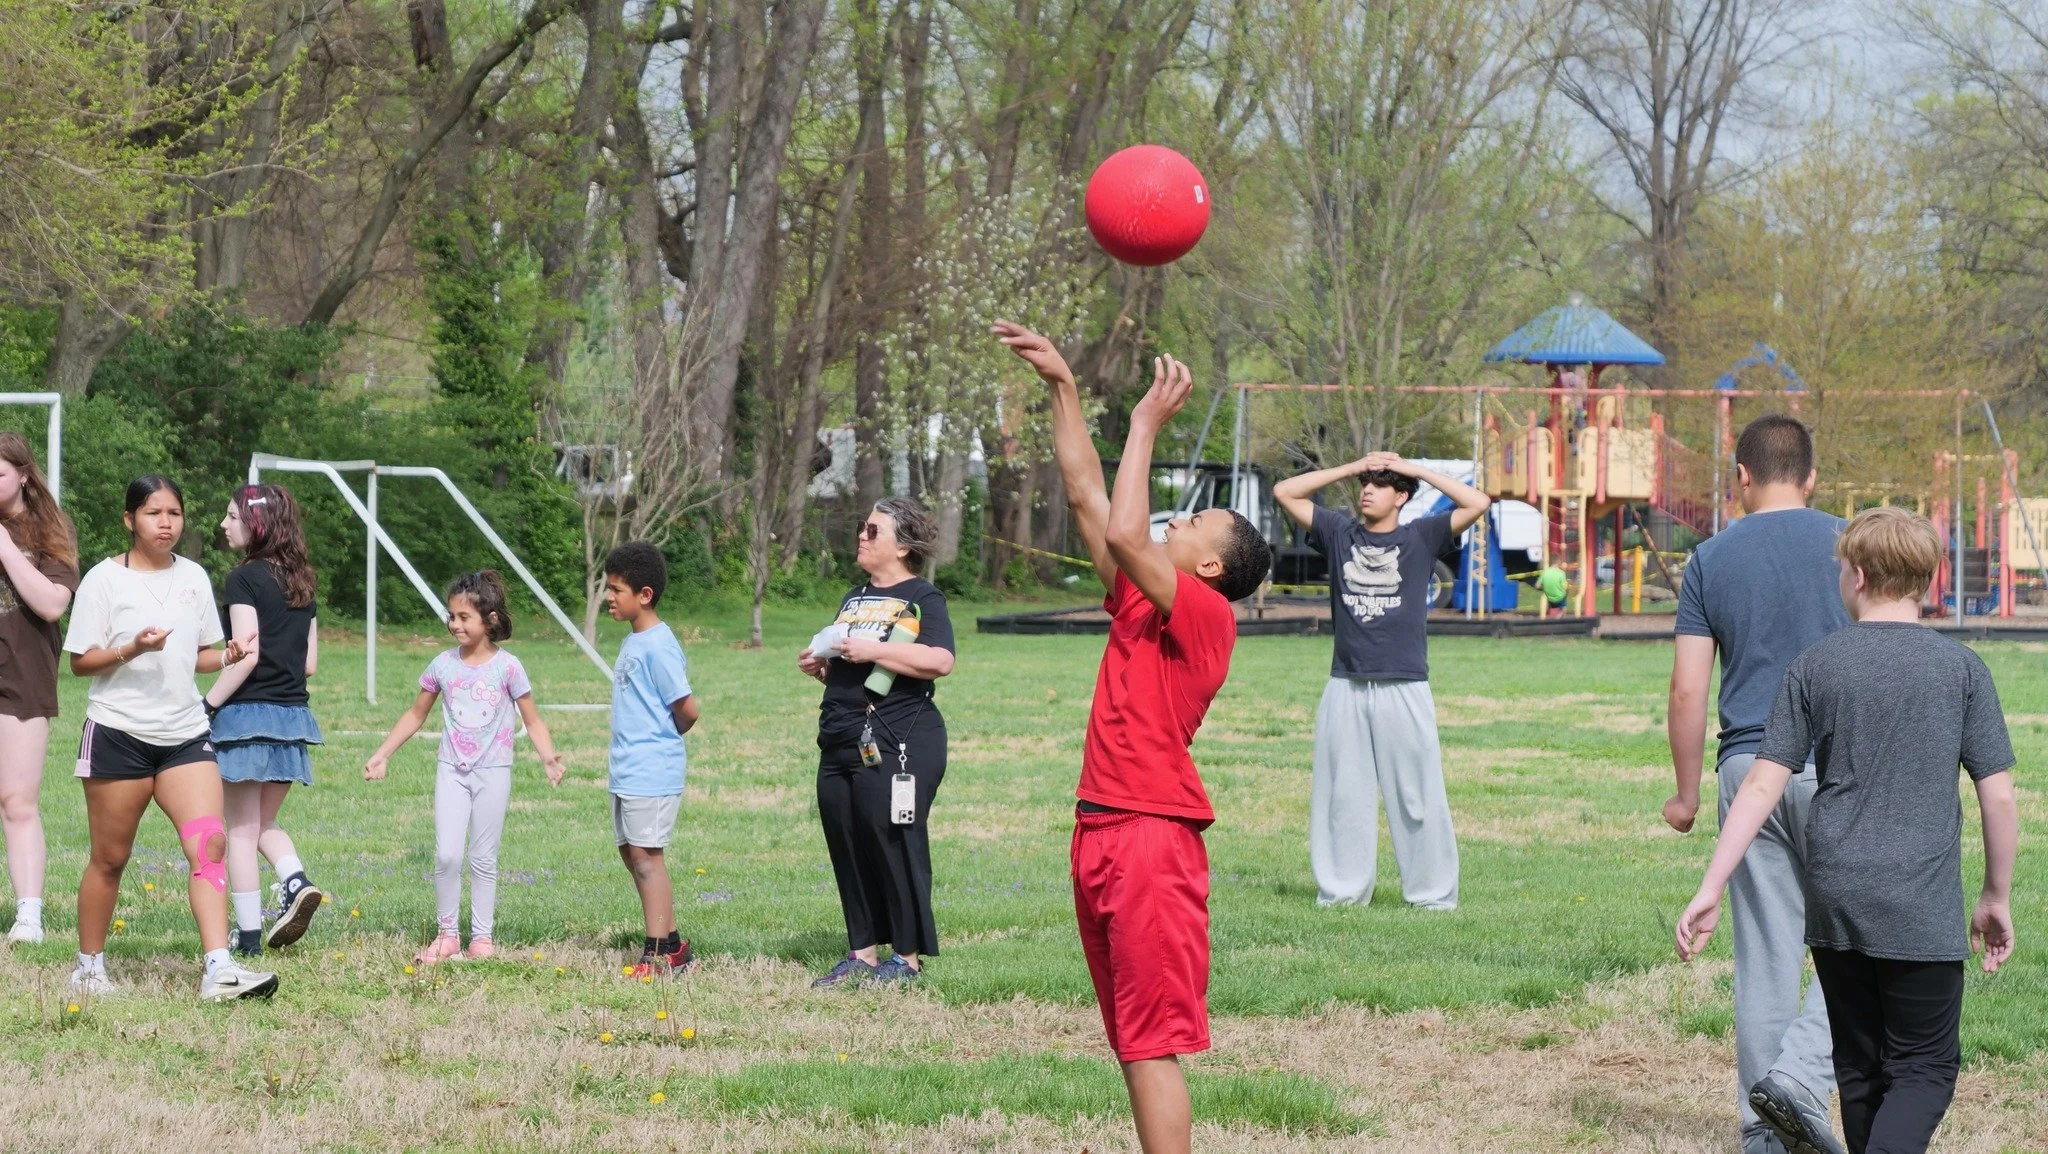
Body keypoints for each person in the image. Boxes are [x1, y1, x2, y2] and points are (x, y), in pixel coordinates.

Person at [996, 321, 1271, 1154]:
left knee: (1151, 1046)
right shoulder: (1140, 603)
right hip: (1102, 830)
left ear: (1213, 567)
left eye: (1194, 525)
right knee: (1129, 1041)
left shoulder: (1208, 614)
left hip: (1153, 838)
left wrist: (1148, 423)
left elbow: (1122, 531)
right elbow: (1092, 501)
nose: (1174, 524)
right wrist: (1063, 387)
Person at [1679, 507, 2018, 1154]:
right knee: (1923, 1069)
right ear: (1926, 579)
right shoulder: (1963, 670)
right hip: (1920, 903)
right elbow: (1997, 798)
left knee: (1860, 1073)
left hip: (1837, 903)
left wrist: (1712, 884)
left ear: (1857, 575)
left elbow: (1761, 785)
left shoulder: (1815, 666)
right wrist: (1995, 895)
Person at [1666, 415, 1847, 1154]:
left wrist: (1683, 793)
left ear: (1740, 477)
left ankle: (1763, 1132)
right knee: (1865, 949)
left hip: (1747, 771)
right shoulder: (1852, 544)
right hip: (1846, 768)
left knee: (1767, 957)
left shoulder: (1709, 558)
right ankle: (1805, 1081)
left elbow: (1687, 690)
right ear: (1811, 478)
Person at [63, 475, 274, 1001]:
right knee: (110, 859)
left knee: (210, 845)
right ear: (129, 519)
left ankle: (219, 968)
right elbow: (80, 664)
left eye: (174, 514)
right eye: (154, 513)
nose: (165, 523)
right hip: (118, 733)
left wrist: (226, 656)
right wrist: (131, 649)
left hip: (184, 735)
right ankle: (89, 967)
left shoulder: (196, 578)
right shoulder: (103, 581)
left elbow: (198, 654)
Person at [1272, 453, 1489, 910]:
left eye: (1380, 484)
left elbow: (1477, 501)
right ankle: (1343, 892)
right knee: (1342, 795)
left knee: (1418, 796)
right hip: (1346, 683)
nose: (1367, 490)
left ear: (1402, 496)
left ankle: (1431, 897)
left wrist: (1416, 469)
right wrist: (1351, 467)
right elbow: (1285, 491)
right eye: (1365, 483)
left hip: (1405, 686)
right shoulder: (1338, 533)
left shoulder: (1422, 537)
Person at [363, 570, 567, 963]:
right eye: (451, 616)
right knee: (447, 856)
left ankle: (482, 939)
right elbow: (415, 713)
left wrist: (547, 756)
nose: (454, 624)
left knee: (483, 857)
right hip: (451, 772)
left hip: (494, 773)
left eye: (463, 617)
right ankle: (448, 935)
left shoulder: (509, 668)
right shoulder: (442, 665)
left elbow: (533, 719)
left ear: (489, 620)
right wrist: (383, 752)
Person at [799, 497, 954, 987]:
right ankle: (861, 953)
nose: (861, 537)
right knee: (847, 840)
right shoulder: (854, 596)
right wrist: (824, 669)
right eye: (862, 529)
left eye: (872, 531)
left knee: (892, 842)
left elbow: (939, 660)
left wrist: (871, 648)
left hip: (899, 736)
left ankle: (905, 959)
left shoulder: (923, 597)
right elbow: (859, 673)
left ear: (903, 545)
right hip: (842, 733)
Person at [206, 484, 325, 957]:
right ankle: (295, 880)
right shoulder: (303, 582)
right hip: (292, 716)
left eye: (231, 515)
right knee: (263, 822)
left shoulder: (244, 579)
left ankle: (249, 936)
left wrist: (207, 706)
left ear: (255, 524)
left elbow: (246, 653)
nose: (223, 524)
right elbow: (309, 663)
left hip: (246, 717)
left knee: (238, 829)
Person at [600, 542, 701, 979]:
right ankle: (673, 942)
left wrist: (660, 741)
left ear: (644, 595)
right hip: (627, 767)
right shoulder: (635, 639)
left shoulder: (658, 646)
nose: (608, 596)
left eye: (615, 589)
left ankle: (659, 953)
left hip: (651, 769)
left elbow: (688, 709)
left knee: (647, 856)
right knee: (630, 851)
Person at [0, 433, 78, 946]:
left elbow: (51, 604)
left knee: (17, 800)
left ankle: (29, 915)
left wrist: (4, 545)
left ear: (24, 474)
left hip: (19, 679)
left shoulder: (49, 530)